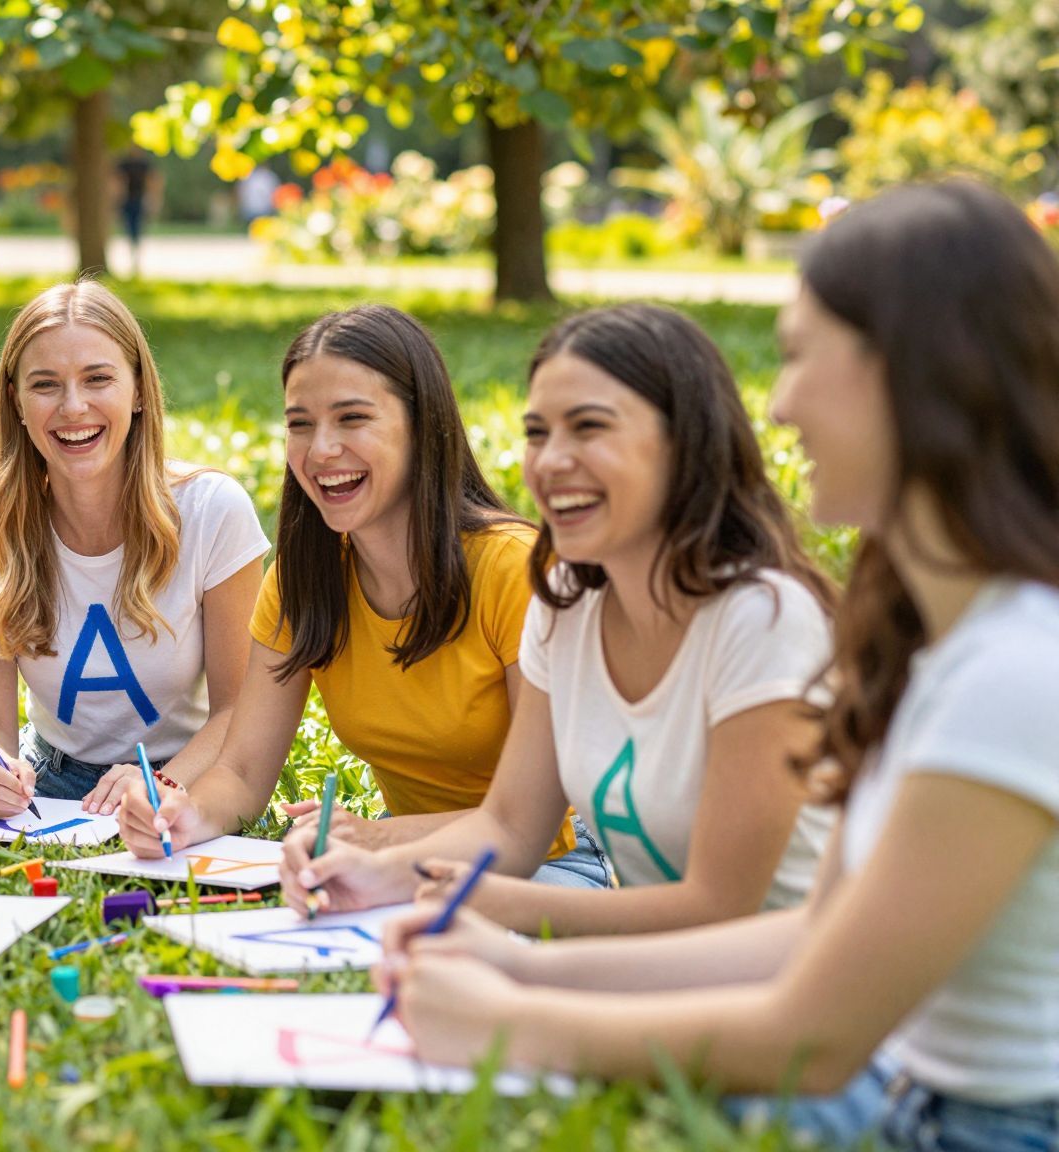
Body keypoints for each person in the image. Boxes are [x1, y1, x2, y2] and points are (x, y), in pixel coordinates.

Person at [377, 180, 1059, 1152]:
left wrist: (513, 1025)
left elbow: (814, 1038)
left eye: (795, 357)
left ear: (911, 373)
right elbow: (805, 944)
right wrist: (516, 967)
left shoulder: (1014, 669)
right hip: (905, 1097)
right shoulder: (926, 645)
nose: (776, 406)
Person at [283, 302, 836, 937]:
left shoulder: (761, 619)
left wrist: (488, 929)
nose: (549, 461)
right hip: (674, 974)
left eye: (589, 428)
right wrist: (375, 876)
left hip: (788, 988)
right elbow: (513, 828)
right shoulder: (566, 603)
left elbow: (718, 910)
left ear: (685, 442)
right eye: (538, 433)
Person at [117, 305, 609, 889]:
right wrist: (185, 813)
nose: (321, 449)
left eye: (352, 418)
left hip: (558, 859)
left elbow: (536, 822)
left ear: (423, 425)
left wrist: (377, 839)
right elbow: (245, 771)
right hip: (411, 852)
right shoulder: (304, 579)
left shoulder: (515, 571)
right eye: (299, 423)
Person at [0, 279, 269, 818]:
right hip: (49, 781)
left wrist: (160, 781)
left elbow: (238, 710)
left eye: (98, 379)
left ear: (139, 391)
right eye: (45, 385)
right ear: (16, 402)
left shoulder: (213, 510)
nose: (74, 407)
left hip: (189, 771)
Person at [115, 147, 161, 279]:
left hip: (139, 201)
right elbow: (118, 182)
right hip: (127, 201)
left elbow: (153, 181)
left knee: (137, 229)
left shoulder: (145, 164)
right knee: (129, 229)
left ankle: (136, 259)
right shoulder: (124, 164)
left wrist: (153, 199)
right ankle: (133, 256)